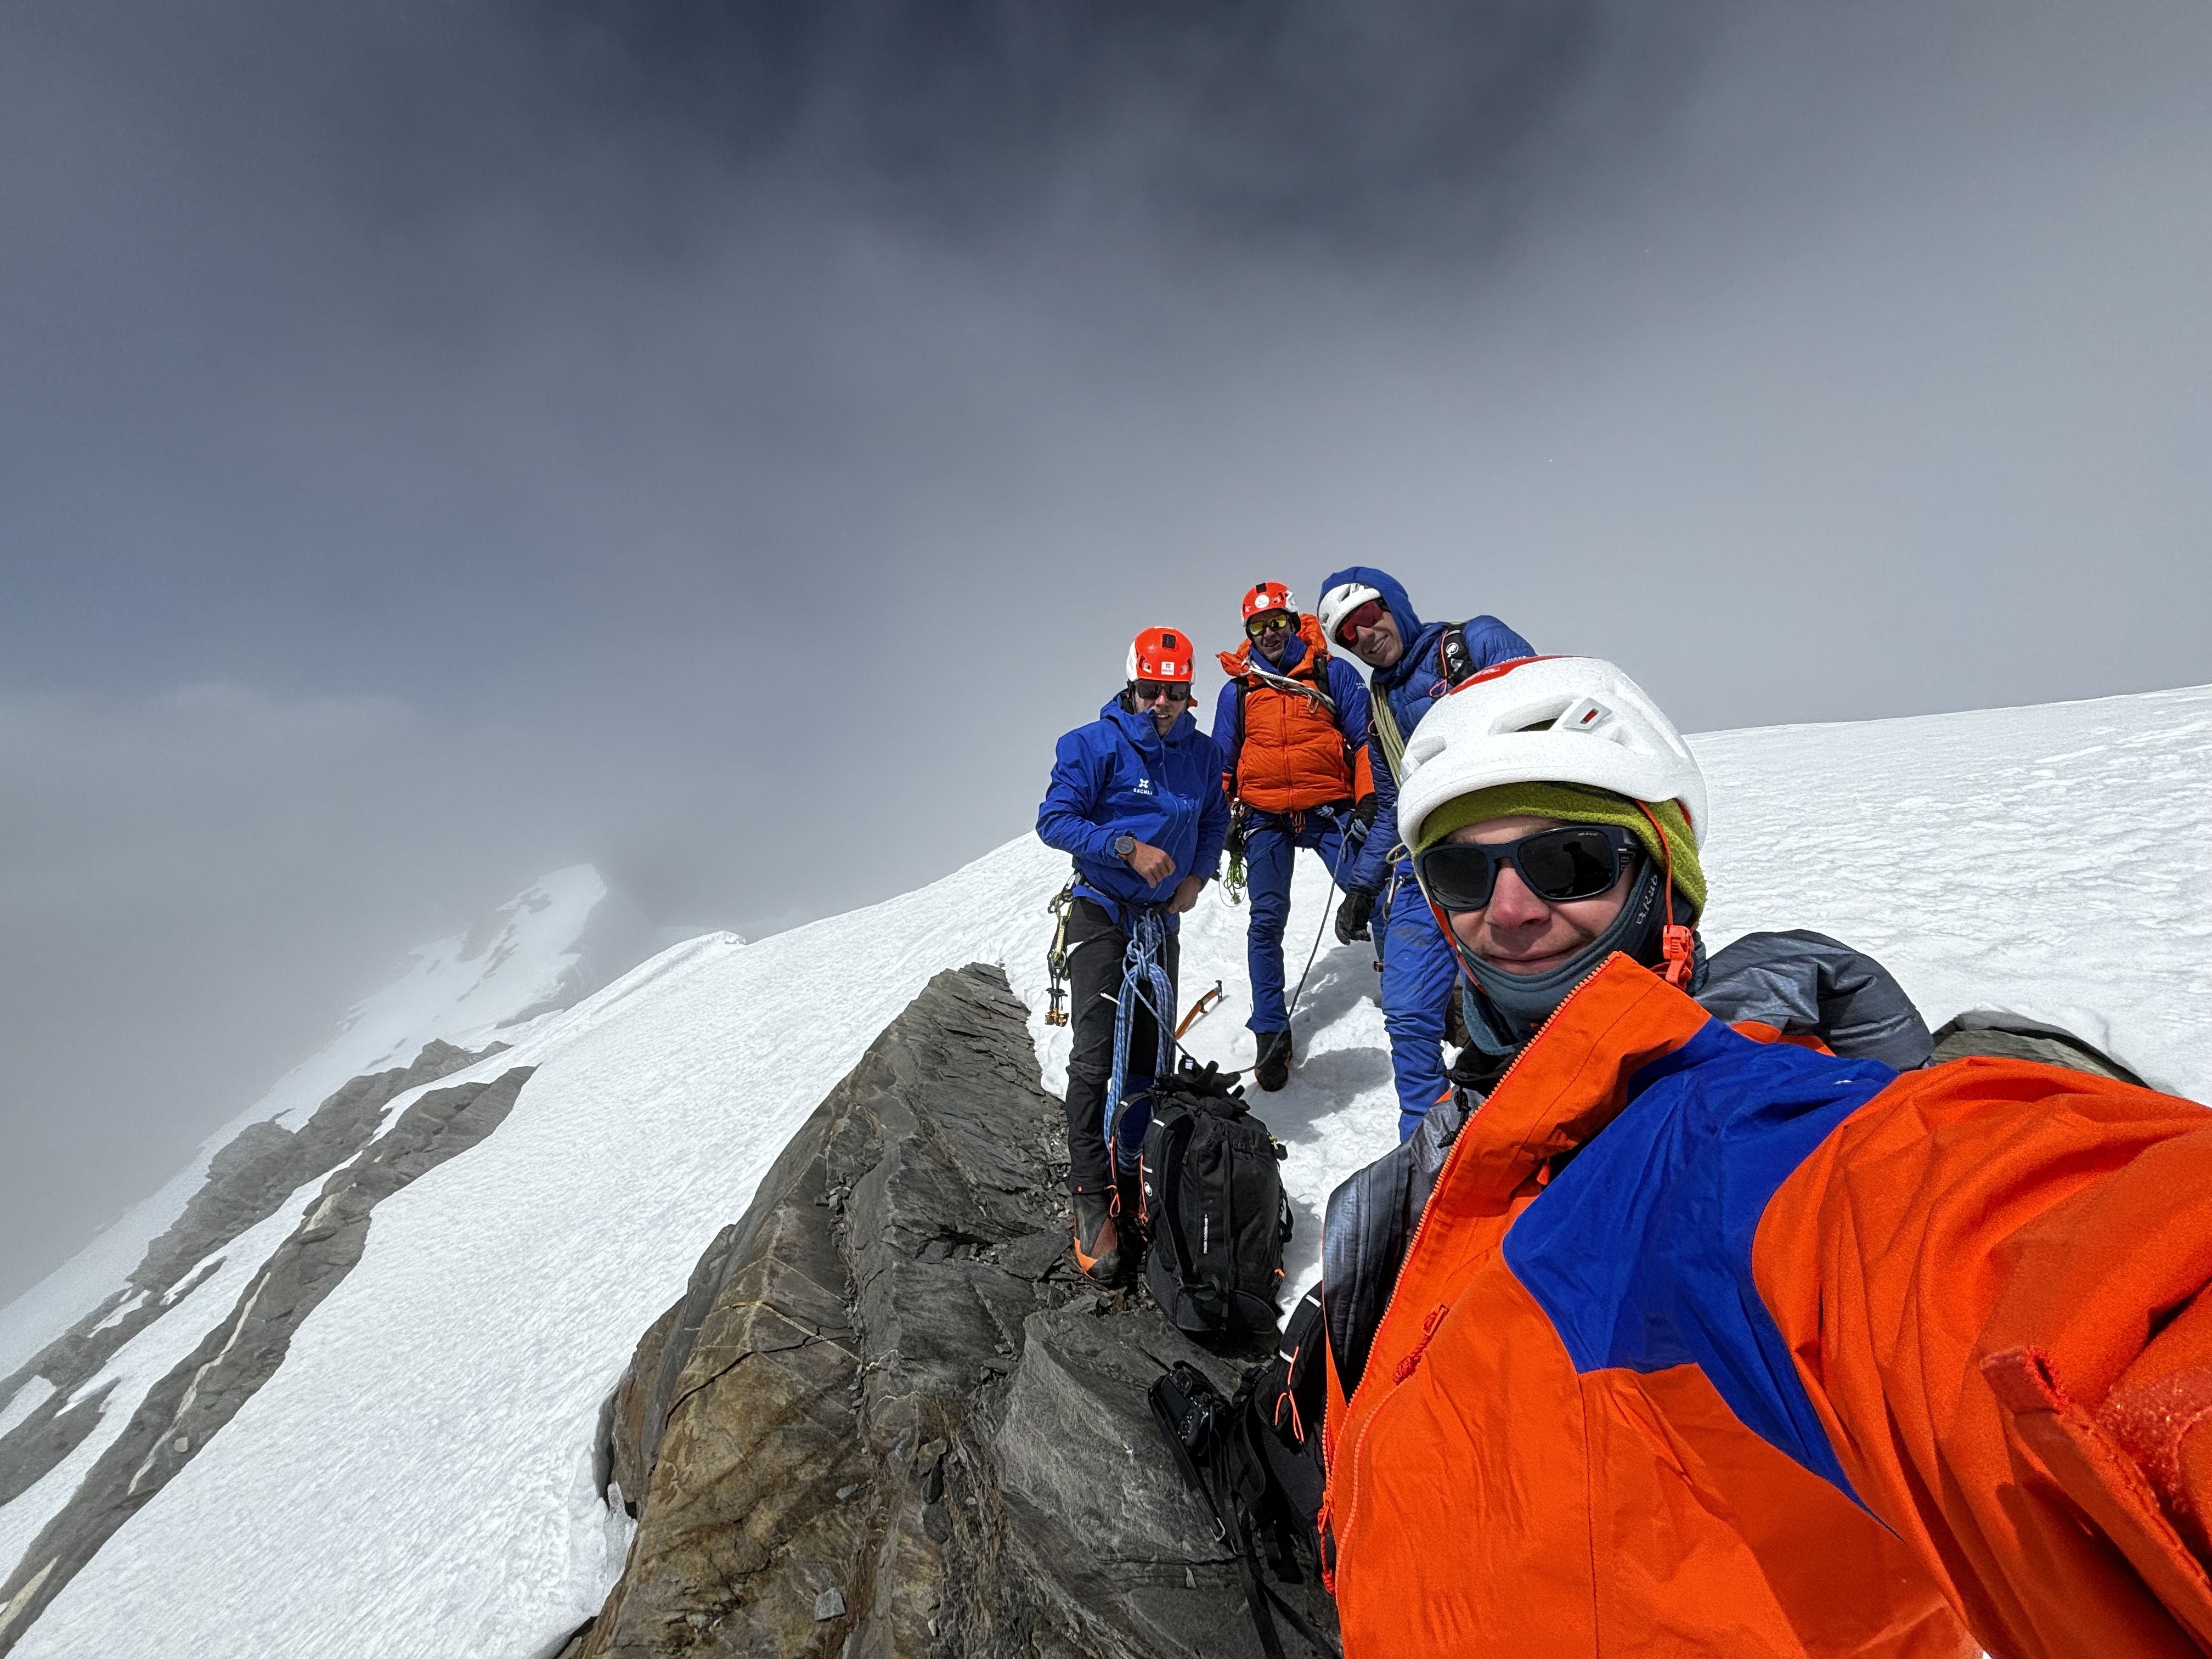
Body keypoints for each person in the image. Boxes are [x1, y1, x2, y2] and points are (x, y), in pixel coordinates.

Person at [1317, 653, 2212, 1658]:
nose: (1512, 907)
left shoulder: (1731, 1133)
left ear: (1665, 883)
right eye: (1463, 870)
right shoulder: (1453, 1170)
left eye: (1570, 862)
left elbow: (1992, 1242)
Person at [1036, 627, 1229, 1285]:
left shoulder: (1203, 755)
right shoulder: (1091, 745)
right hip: (1103, 912)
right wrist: (1126, 849)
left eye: (1176, 693)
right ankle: (1091, 1195)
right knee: (1096, 1058)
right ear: (1132, 685)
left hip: (1158, 923)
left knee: (1150, 1058)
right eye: (1153, 691)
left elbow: (1213, 820)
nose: (1164, 704)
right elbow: (1054, 820)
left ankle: (1134, 1170)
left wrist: (1196, 877)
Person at [1314, 567, 1533, 1139]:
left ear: (1396, 604)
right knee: (1409, 1014)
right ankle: (1428, 1149)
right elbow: (1392, 805)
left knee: (1525, 1003)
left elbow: (1546, 732)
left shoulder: (1474, 644)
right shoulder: (1379, 703)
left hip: (1505, 850)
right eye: (1347, 635)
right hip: (1426, 862)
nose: (1363, 635)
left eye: (1367, 615)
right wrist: (1362, 886)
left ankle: (1532, 1127)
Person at [1210, 582, 1375, 1091]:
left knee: (1379, 895)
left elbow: (1365, 737)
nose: (1270, 634)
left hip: (1328, 809)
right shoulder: (1238, 689)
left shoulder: (1331, 672)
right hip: (1265, 816)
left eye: (1278, 622)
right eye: (1258, 627)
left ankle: (1416, 994)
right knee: (1266, 922)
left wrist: (1368, 796)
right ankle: (1270, 1034)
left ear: (1293, 621)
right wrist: (1221, 820)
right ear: (1248, 633)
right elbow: (1222, 757)